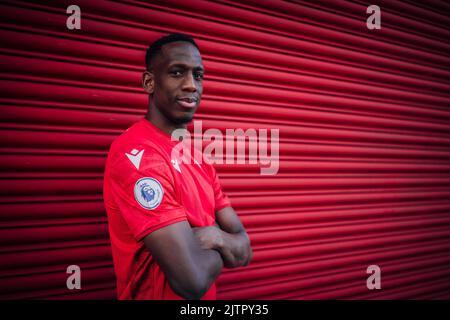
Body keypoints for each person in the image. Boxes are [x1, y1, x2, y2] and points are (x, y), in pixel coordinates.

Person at [103, 33, 253, 300]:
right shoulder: (137, 156)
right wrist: (224, 246)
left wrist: (214, 237)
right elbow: (191, 280)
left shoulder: (200, 160)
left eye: (198, 75)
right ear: (149, 82)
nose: (191, 85)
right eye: (176, 73)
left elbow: (244, 249)